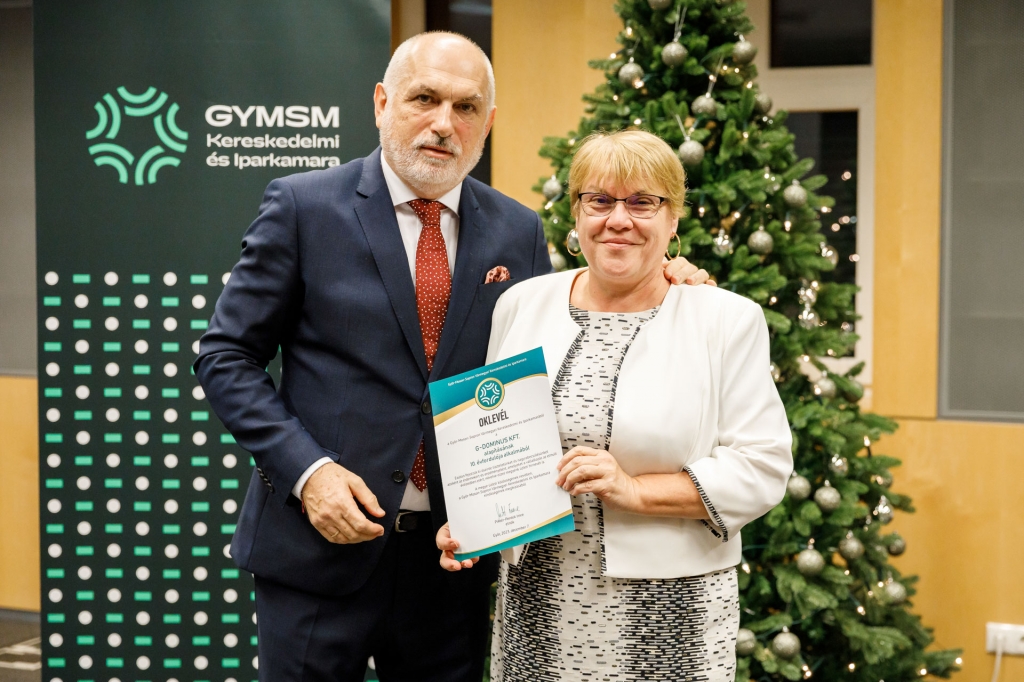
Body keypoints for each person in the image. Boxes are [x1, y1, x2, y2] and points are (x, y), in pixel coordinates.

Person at [195, 33, 710, 682]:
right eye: (424, 99)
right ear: (382, 103)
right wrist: (310, 473)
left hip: (454, 560)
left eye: (466, 108)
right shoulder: (303, 207)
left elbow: (551, 357)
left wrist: (666, 287)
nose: (444, 123)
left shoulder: (516, 229)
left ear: (487, 124)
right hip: (319, 548)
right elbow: (226, 356)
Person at [437, 129, 794, 682]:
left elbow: (763, 467)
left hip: (669, 614)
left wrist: (633, 490)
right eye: (599, 200)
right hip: (537, 607)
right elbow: (494, 437)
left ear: (673, 219)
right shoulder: (520, 304)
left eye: (642, 202)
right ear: (577, 214)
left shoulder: (724, 319)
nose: (618, 219)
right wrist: (472, 521)